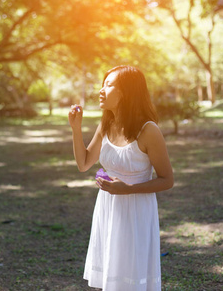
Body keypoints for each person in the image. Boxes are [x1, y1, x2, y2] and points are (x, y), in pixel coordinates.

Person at [68, 65, 174, 291]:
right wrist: (76, 129)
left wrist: (127, 189)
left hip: (136, 209)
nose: (101, 90)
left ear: (127, 92)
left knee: (130, 277)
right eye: (102, 84)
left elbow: (167, 179)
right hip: (108, 206)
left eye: (109, 85)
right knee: (111, 275)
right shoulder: (106, 124)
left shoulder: (148, 131)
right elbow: (83, 163)